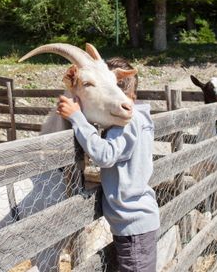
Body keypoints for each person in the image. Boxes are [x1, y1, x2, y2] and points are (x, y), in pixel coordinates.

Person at [57, 57, 160, 272]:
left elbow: (105, 155)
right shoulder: (140, 118)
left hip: (133, 225)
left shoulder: (126, 123)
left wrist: (77, 118)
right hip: (137, 223)